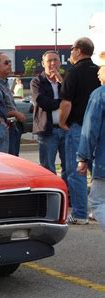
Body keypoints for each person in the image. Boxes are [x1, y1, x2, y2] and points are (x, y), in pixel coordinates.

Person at [58, 37, 100, 225]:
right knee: (98, 170)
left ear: (78, 51)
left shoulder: (73, 73)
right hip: (100, 129)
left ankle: (81, 213)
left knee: (77, 171)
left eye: (72, 49)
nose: (71, 52)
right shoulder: (99, 71)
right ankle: (98, 210)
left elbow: (66, 103)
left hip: (78, 128)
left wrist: (62, 122)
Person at [77, 52, 105, 232]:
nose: (98, 73)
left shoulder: (99, 95)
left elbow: (90, 130)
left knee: (97, 201)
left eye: (101, 68)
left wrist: (83, 157)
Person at [30, 50, 67, 182]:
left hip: (66, 129)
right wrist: (62, 103)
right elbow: (43, 103)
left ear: (60, 63)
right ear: (43, 63)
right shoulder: (37, 81)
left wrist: (61, 81)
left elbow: (72, 99)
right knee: (48, 167)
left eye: (55, 60)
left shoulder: (65, 80)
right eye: (49, 60)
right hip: (47, 130)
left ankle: (67, 194)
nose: (52, 63)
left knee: (68, 166)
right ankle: (53, 195)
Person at [0, 53, 26, 156]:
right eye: (6, 63)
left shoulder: (5, 83)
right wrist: (15, 113)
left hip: (13, 128)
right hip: (4, 129)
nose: (9, 65)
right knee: (8, 162)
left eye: (10, 62)